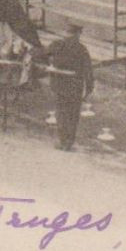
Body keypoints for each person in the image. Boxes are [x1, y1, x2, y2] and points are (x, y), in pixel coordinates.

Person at [45, 20, 95, 152]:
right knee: (73, 114)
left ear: (66, 33)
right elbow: (88, 70)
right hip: (74, 86)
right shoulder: (82, 49)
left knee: (61, 113)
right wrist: (89, 88)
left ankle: (63, 141)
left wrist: (49, 66)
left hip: (60, 85)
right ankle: (69, 142)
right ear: (78, 34)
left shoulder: (57, 45)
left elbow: (44, 56)